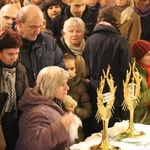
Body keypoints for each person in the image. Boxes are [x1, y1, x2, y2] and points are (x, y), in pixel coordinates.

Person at [83, 5, 131, 137]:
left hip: (95, 91)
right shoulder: (120, 40)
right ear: (117, 19)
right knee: (117, 134)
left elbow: (86, 67)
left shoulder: (90, 40)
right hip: (116, 93)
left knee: (98, 133)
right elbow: (127, 71)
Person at [14, 66, 82, 150]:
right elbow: (33, 144)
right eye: (62, 84)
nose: (67, 88)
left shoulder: (52, 104)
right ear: (50, 86)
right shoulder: (37, 113)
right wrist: (62, 127)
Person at [12, 4, 65, 87]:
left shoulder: (48, 42)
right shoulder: (7, 44)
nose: (37, 31)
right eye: (32, 27)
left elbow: (61, 72)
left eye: (40, 27)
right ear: (19, 23)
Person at [0, 28, 29, 150]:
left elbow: (25, 94)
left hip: (15, 117)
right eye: (10, 54)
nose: (14, 57)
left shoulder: (21, 69)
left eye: (17, 53)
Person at [63, 54, 92, 142]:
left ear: (76, 68)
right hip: (61, 130)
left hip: (76, 132)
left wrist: (75, 111)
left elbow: (87, 110)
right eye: (66, 69)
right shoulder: (57, 85)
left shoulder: (81, 86)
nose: (69, 72)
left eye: (72, 69)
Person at [132, 40, 150, 125]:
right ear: (140, 58)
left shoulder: (148, 71)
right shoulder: (134, 75)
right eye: (148, 54)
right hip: (140, 121)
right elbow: (135, 101)